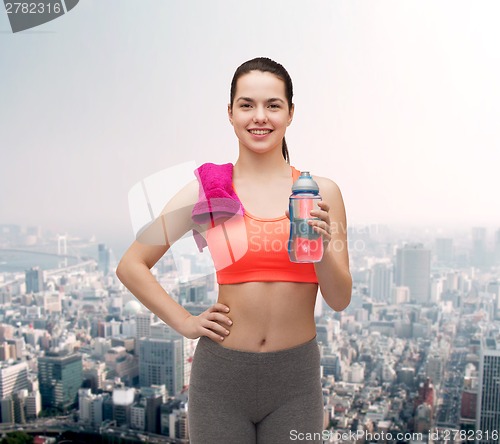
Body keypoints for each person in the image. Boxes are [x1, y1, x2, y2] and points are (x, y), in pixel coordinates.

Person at [116, 57, 352, 444]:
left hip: (295, 380)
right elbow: (131, 264)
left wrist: (323, 247)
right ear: (230, 113)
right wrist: (186, 323)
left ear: (290, 113)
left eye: (273, 105)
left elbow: (339, 299)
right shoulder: (208, 190)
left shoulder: (321, 193)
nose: (260, 116)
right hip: (221, 378)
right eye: (247, 105)